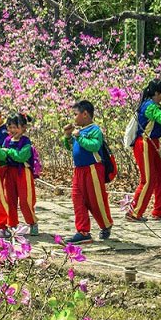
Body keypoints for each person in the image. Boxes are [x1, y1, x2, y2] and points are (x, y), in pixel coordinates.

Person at [126, 78, 161, 222]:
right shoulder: (149, 107)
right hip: (144, 143)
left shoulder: (158, 106)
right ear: (157, 92)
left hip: (153, 143)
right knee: (148, 180)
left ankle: (159, 211)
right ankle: (134, 212)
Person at [63, 100, 113, 243]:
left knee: (96, 200)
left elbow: (94, 146)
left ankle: (106, 224)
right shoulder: (79, 131)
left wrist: (79, 137)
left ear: (85, 114)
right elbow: (70, 147)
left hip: (93, 170)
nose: (74, 117)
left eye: (75, 114)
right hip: (79, 171)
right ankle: (83, 231)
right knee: (77, 199)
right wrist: (68, 136)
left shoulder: (94, 130)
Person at [3, 113, 39, 236]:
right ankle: (12, 224)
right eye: (10, 127)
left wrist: (8, 151)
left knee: (25, 200)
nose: (12, 130)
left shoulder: (26, 142)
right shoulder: (7, 140)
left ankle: (32, 222)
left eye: (15, 127)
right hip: (9, 173)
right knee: (10, 199)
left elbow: (20, 157)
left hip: (23, 172)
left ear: (23, 128)